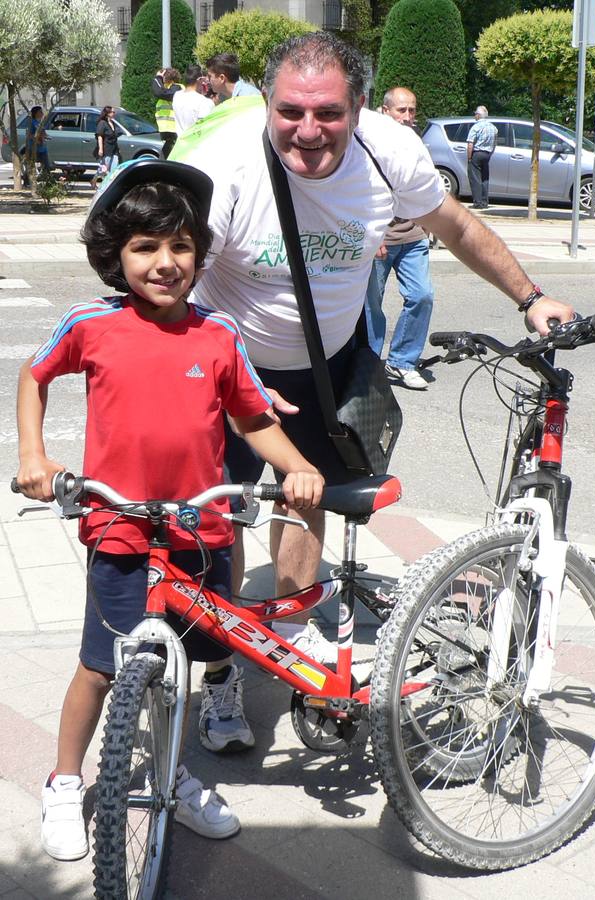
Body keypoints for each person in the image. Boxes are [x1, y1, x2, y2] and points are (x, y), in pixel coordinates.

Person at [176, 31, 574, 750]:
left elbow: (451, 224)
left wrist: (529, 296)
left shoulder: (388, 152)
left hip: (327, 367)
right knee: (217, 521)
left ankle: (295, 653)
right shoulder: (224, 165)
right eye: (291, 110)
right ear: (267, 102)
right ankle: (221, 677)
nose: (307, 130)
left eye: (327, 112)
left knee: (306, 504)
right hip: (227, 367)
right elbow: (169, 279)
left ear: (358, 107)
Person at [14, 158, 324, 861]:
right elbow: (33, 376)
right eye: (145, 247)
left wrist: (297, 465)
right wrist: (34, 458)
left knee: (184, 666)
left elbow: (251, 418)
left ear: (198, 256)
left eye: (180, 247)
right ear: (115, 255)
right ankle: (66, 783)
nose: (164, 263)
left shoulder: (218, 334)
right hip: (120, 528)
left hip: (201, 532)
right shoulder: (93, 325)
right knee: (101, 666)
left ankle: (173, 775)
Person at [365, 87, 434, 390]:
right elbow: (360, 192)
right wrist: (373, 233)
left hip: (413, 236)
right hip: (381, 239)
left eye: (412, 110)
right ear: (385, 111)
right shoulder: (370, 144)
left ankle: (402, 361)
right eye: (401, 110)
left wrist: (431, 220)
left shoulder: (417, 143)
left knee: (422, 295)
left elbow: (427, 186)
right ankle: (366, 366)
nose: (407, 117)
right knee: (370, 307)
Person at [467, 106, 498, 210]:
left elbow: (470, 143)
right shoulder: (493, 127)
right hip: (487, 154)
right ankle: (485, 202)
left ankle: (478, 202)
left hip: (477, 153)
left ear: (479, 115)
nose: (474, 115)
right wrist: (490, 153)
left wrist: (469, 157)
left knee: (475, 178)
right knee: (485, 178)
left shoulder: (476, 127)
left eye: (475, 113)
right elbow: (494, 143)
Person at [173, 64, 215, 134]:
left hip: (180, 142)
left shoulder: (177, 95)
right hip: (196, 143)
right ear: (199, 80)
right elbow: (205, 130)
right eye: (204, 79)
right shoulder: (205, 102)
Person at [152, 67, 183, 157]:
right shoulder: (167, 88)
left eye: (163, 76)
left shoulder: (177, 87)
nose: (162, 79)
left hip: (174, 129)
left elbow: (160, 92)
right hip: (167, 130)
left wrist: (158, 78)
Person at [93, 106, 120, 187]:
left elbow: (114, 137)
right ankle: (94, 180)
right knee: (104, 168)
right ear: (108, 113)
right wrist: (100, 149)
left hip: (114, 149)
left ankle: (109, 185)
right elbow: (100, 136)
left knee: (114, 168)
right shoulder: (102, 123)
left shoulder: (112, 123)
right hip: (106, 148)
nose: (114, 113)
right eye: (113, 112)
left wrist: (118, 148)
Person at [25, 106, 51, 182]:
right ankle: (27, 181)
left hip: (42, 148)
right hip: (34, 148)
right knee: (31, 165)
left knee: (46, 166)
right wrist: (36, 139)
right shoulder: (32, 122)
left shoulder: (40, 122)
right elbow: (29, 134)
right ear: (36, 113)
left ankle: (48, 181)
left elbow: (43, 132)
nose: (42, 113)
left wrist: (46, 136)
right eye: (40, 112)